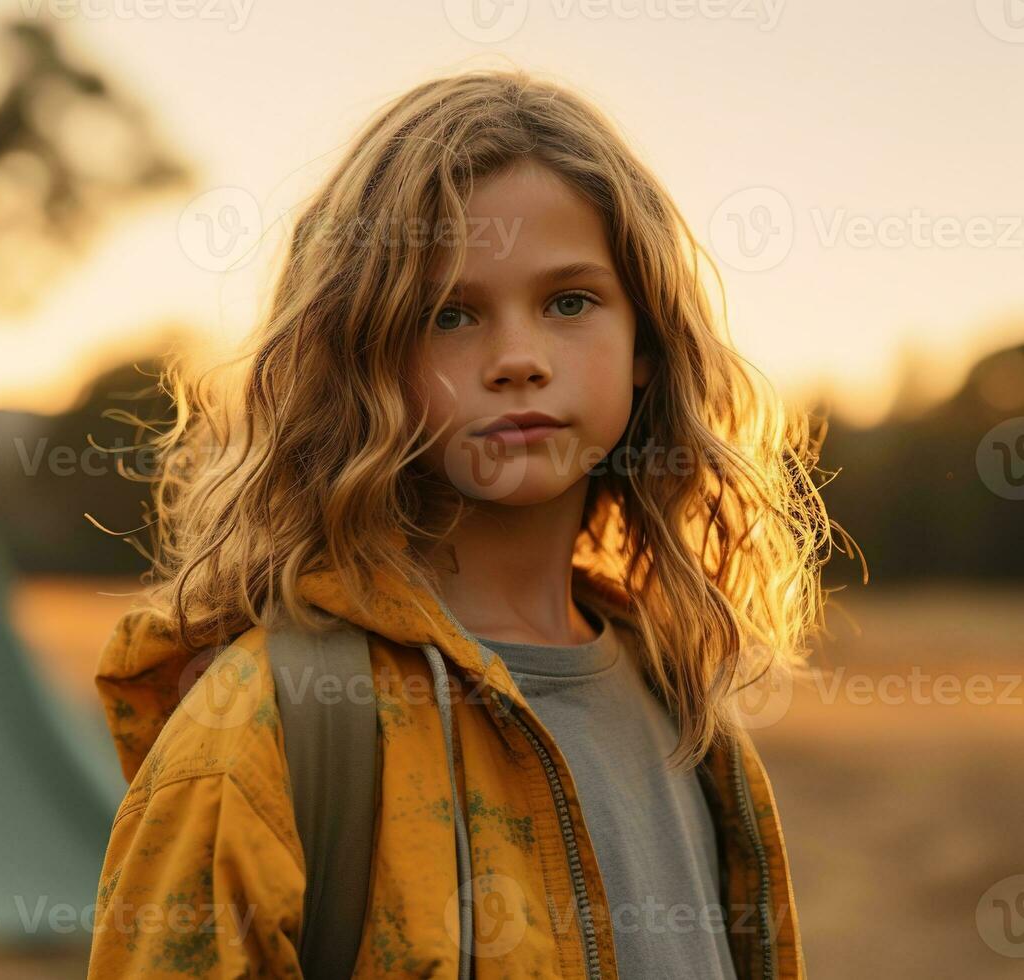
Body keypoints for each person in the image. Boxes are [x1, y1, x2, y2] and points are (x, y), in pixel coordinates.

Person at [87, 68, 838, 978]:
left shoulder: (686, 710)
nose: (518, 359)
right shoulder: (268, 727)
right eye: (450, 314)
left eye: (570, 301)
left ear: (645, 344)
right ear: (358, 356)